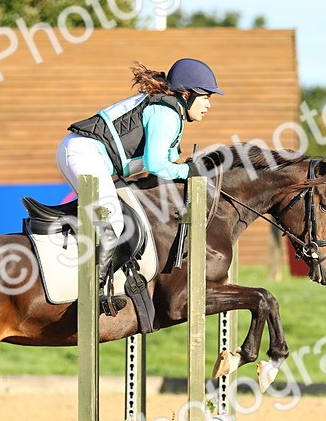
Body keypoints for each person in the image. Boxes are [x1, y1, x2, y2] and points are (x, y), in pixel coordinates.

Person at [57, 57, 223, 312]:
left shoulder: (171, 112)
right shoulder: (167, 113)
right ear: (186, 94)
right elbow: (156, 164)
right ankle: (94, 294)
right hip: (84, 153)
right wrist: (189, 170)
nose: (208, 105)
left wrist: (186, 170)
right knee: (113, 218)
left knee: (119, 215)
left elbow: (166, 163)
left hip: (84, 152)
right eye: (205, 97)